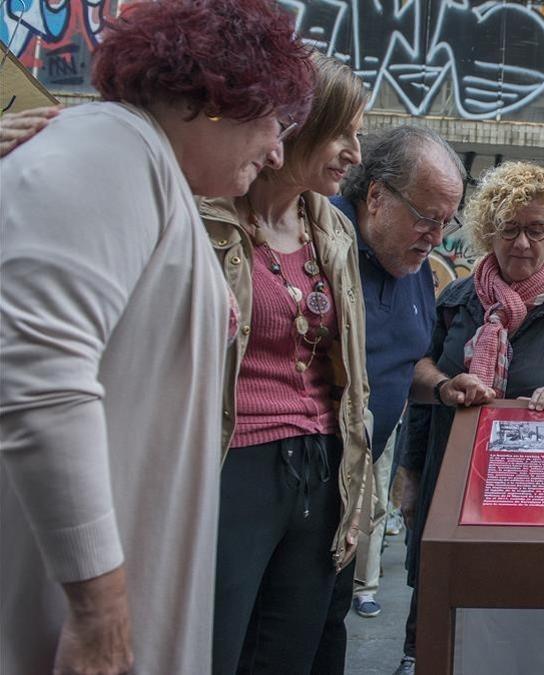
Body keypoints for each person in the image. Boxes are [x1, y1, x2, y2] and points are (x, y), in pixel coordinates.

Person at [0, 1, 312, 673]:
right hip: (63, 611)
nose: (278, 150)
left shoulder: (147, 170)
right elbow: (39, 374)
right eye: (274, 122)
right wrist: (99, 604)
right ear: (222, 96)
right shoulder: (113, 149)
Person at [400, 160, 544, 674]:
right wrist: (410, 476)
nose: (522, 242)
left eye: (536, 229)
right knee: (441, 599)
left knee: (521, 605)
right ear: (488, 231)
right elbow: (423, 383)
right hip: (451, 480)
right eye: (509, 228)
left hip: (538, 491)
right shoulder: (457, 299)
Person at [197, 54, 373, 675]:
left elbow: (351, 377)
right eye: (343, 132)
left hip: (322, 468)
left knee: (289, 657)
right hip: (230, 462)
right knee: (214, 649)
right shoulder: (207, 217)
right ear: (298, 124)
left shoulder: (336, 232)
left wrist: (356, 484)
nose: (355, 151)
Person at [321, 126, 465, 648]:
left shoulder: (417, 271)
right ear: (376, 196)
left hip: (349, 493)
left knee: (325, 630)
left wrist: (444, 387)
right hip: (295, 480)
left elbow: (410, 366)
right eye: (426, 217)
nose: (435, 236)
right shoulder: (318, 238)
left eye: (446, 222)